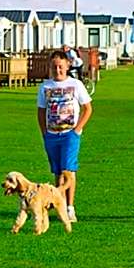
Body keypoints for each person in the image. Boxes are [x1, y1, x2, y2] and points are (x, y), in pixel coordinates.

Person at [37, 49, 93, 222]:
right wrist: (44, 132)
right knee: (58, 171)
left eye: (60, 67)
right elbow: (41, 111)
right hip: (52, 134)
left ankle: (70, 207)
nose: (57, 70)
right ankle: (58, 203)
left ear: (67, 65)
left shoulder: (75, 85)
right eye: (54, 67)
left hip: (70, 134)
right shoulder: (45, 87)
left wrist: (77, 130)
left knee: (68, 171)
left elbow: (88, 108)